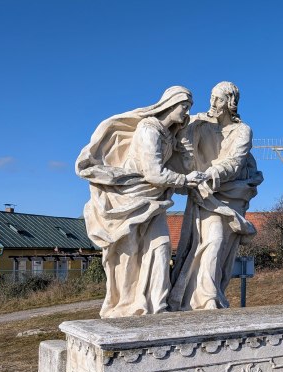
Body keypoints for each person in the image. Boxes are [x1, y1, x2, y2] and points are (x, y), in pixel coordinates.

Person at [75, 86, 203, 318]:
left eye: (189, 108)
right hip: (131, 198)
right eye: (184, 107)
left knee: (162, 247)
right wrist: (185, 180)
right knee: (129, 252)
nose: (186, 112)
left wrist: (185, 155)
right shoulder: (149, 129)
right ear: (170, 105)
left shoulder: (169, 135)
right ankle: (124, 305)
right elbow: (154, 173)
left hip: (155, 200)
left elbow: (177, 168)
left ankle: (155, 305)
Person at [169, 81, 264, 311]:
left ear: (230, 103)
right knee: (213, 239)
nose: (213, 103)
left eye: (219, 99)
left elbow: (235, 162)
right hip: (205, 194)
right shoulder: (200, 123)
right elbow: (178, 139)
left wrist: (212, 173)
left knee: (222, 251)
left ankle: (209, 294)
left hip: (231, 194)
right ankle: (206, 299)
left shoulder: (243, 131)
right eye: (211, 97)